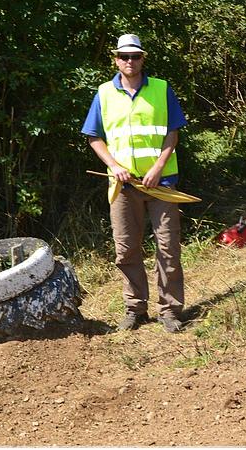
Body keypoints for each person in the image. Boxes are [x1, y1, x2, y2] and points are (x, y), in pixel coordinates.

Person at [81, 34, 188, 333]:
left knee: (168, 248)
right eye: (124, 56)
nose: (130, 61)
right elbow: (94, 137)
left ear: (143, 58)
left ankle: (169, 310)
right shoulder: (103, 93)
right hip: (123, 187)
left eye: (135, 56)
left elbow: (172, 133)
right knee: (126, 249)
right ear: (116, 59)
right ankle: (135, 309)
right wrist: (114, 166)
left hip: (161, 183)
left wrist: (157, 167)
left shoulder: (162, 89)